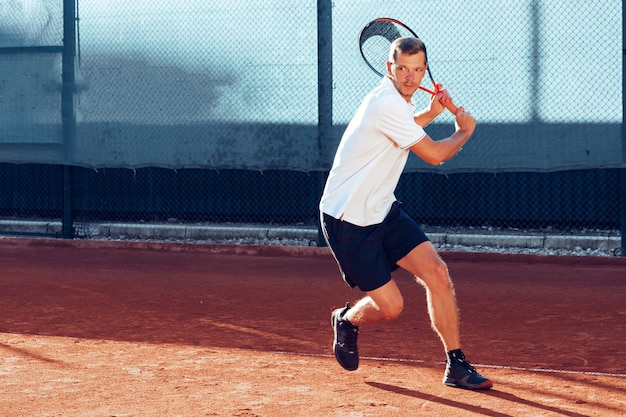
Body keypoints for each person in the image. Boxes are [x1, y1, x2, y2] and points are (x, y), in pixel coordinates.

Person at [319, 36, 492, 390]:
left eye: (417, 70)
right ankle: (348, 320)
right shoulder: (386, 103)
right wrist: (463, 131)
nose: (410, 77)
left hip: (382, 209)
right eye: (403, 69)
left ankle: (456, 364)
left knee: (437, 272)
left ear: (424, 70)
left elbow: (404, 129)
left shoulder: (397, 105)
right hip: (348, 219)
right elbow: (434, 155)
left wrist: (432, 113)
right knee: (391, 308)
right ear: (389, 69)